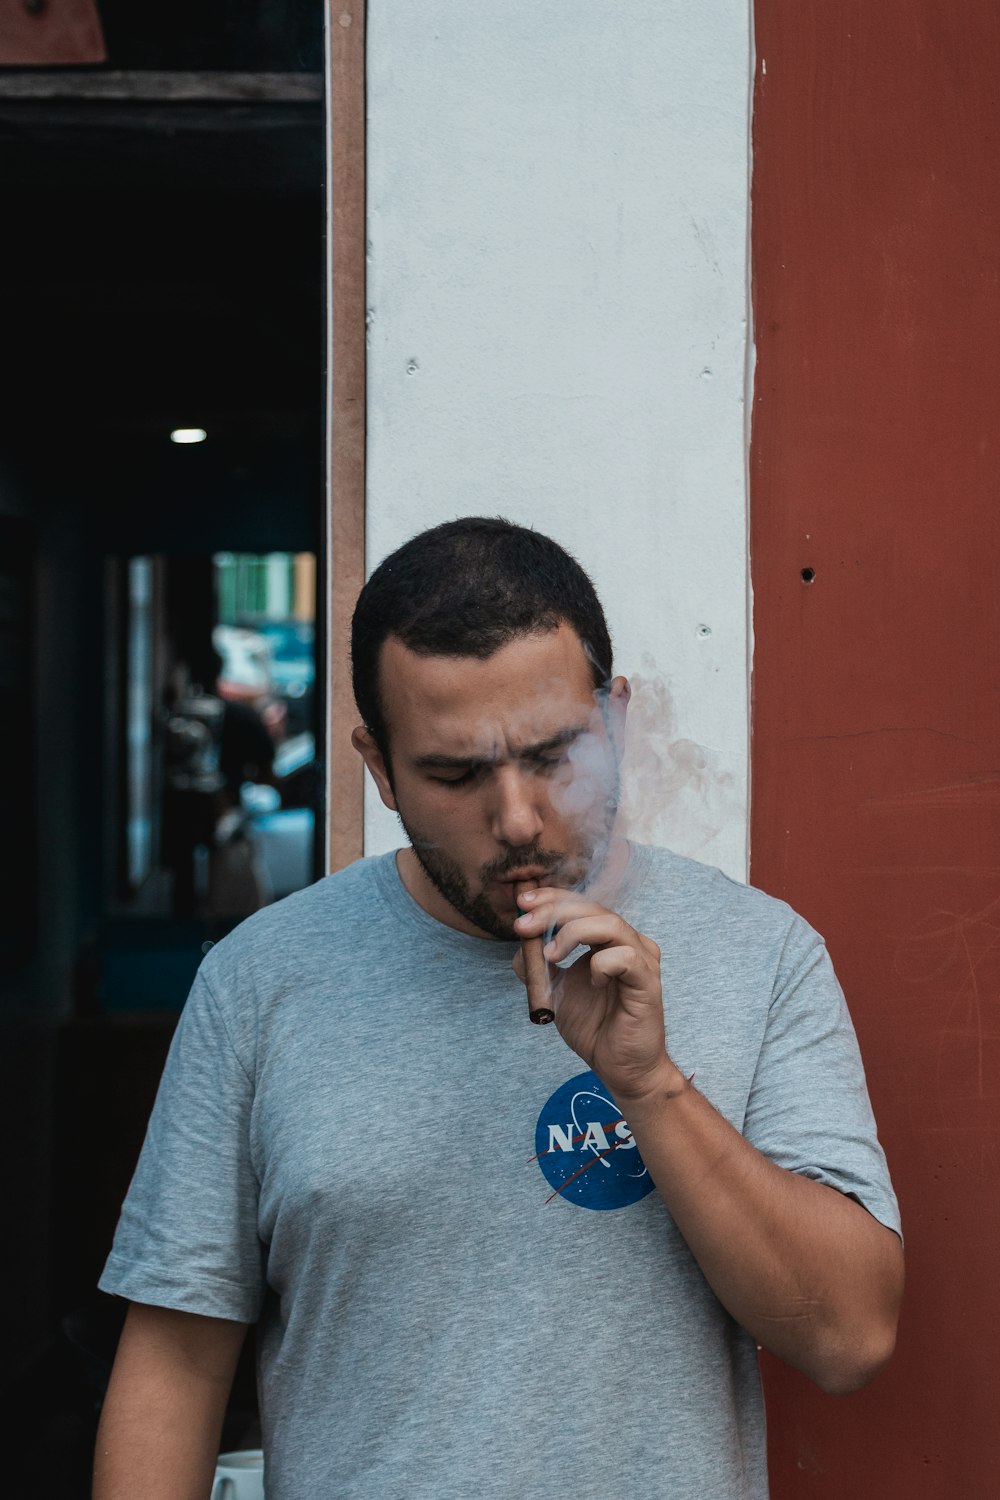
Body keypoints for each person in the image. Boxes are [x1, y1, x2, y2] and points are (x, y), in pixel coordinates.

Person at [94, 518, 903, 1500]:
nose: (516, 815)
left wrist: (647, 1086)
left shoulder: (760, 952)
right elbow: (177, 1362)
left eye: (551, 754)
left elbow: (849, 1338)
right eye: (456, 772)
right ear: (379, 766)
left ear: (614, 718)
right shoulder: (260, 980)